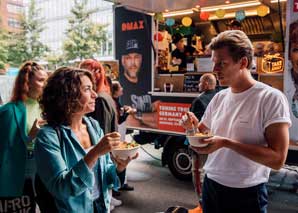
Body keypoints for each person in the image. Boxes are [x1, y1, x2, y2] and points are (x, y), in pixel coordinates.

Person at [180, 30, 291, 213]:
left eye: (222, 64)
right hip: (212, 186)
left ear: (243, 62)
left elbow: (278, 159)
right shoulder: (219, 98)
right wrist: (190, 128)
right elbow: (199, 140)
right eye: (214, 63)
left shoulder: (270, 98)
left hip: (247, 194)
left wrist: (226, 143)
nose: (215, 70)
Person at [34, 67, 137, 212]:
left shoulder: (93, 125)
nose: (95, 94)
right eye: (87, 89)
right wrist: (94, 153)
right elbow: (62, 189)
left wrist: (119, 167)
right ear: (67, 95)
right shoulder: (48, 137)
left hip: (99, 207)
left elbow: (105, 174)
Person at [0, 61, 47, 212]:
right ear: (27, 82)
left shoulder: (46, 107)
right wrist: (31, 136)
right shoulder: (9, 111)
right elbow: (7, 150)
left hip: (44, 167)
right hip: (22, 170)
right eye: (40, 80)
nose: (45, 84)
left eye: (46, 80)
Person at [189, 73, 218, 201]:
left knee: (198, 172)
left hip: (201, 143)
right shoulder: (220, 96)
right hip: (216, 142)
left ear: (206, 84)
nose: (198, 85)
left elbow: (197, 126)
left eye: (200, 82)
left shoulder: (199, 100)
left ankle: (202, 204)